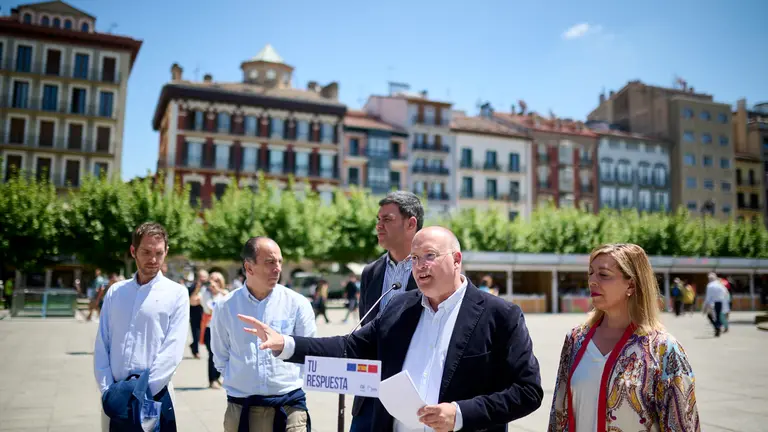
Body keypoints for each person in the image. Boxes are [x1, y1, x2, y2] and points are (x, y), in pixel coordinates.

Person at [240, 226, 544, 432]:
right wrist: (288, 344)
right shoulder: (401, 307)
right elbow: (350, 346)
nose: (420, 265)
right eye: (414, 258)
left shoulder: (500, 315)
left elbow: (527, 391)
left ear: (457, 260)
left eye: (429, 256)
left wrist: (461, 414)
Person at [548, 243, 699, 431]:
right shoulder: (575, 340)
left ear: (631, 284)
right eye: (590, 273)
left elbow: (683, 424)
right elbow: (558, 413)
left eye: (603, 275)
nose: (592, 281)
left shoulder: (663, 349)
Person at [210, 236, 316, 432]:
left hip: (289, 407)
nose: (277, 268)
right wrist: (243, 379)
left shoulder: (297, 303)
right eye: (269, 262)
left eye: (279, 262)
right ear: (249, 268)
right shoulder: (226, 306)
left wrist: (284, 382)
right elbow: (220, 355)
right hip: (242, 408)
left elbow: (309, 351)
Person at [93, 222, 190, 431]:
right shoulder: (115, 292)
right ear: (133, 251)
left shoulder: (177, 294)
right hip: (115, 396)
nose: (153, 259)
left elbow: (172, 351)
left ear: (166, 252)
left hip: (153, 395)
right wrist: (108, 390)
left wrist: (141, 393)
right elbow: (102, 344)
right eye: (146, 252)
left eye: (159, 252)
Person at [349, 191, 423, 431]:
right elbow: (364, 330)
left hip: (417, 394)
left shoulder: (431, 270)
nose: (379, 226)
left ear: (411, 223)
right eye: (378, 219)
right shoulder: (370, 272)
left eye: (387, 219)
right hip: (370, 392)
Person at [201, 271, 229, 388]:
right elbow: (208, 309)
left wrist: (219, 291)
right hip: (209, 327)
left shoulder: (225, 294)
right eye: (212, 279)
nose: (214, 282)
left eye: (217, 280)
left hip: (223, 329)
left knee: (223, 353)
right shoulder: (206, 293)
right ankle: (212, 379)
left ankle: (218, 377)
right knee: (212, 354)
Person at [189, 269, 209, 359]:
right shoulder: (193, 286)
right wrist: (197, 288)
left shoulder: (209, 286)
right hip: (195, 313)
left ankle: (193, 345)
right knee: (196, 333)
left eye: (204, 277)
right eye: (201, 277)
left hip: (206, 313)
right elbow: (190, 299)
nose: (203, 279)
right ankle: (196, 351)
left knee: (203, 333)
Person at [704, 272, 729, 337]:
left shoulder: (709, 285)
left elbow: (708, 297)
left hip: (712, 303)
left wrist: (705, 306)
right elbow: (725, 294)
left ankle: (717, 327)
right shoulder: (720, 285)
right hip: (720, 302)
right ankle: (717, 327)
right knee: (718, 316)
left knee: (710, 316)